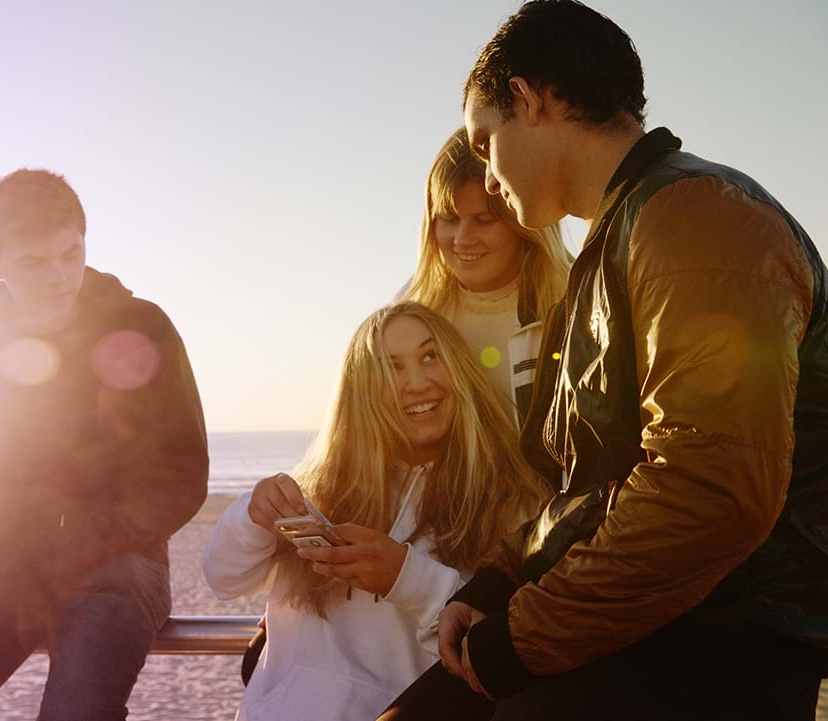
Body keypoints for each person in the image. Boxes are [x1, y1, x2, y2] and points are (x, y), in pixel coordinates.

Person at [383, 2, 828, 719]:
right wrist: (498, 584)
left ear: (530, 100)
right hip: (639, 626)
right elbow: (594, 482)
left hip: (716, 641)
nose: (487, 175)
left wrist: (522, 635)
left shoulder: (699, 218)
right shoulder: (620, 238)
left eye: (485, 139)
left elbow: (709, 489)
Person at [0, 169, 209, 721]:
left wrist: (92, 539)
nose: (58, 277)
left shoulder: (145, 325)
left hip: (124, 556)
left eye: (70, 255)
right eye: (33, 262)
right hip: (9, 557)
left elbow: (183, 471)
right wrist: (10, 550)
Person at [203, 302, 547, 721]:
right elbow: (223, 578)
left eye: (429, 356)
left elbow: (500, 639)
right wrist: (252, 515)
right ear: (362, 390)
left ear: (459, 368)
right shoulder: (322, 486)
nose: (417, 383)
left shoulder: (512, 498)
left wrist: (405, 576)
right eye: (391, 368)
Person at [403, 127, 571, 430]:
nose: (462, 239)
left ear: (524, 222)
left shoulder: (579, 298)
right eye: (450, 219)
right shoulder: (413, 311)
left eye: (484, 220)